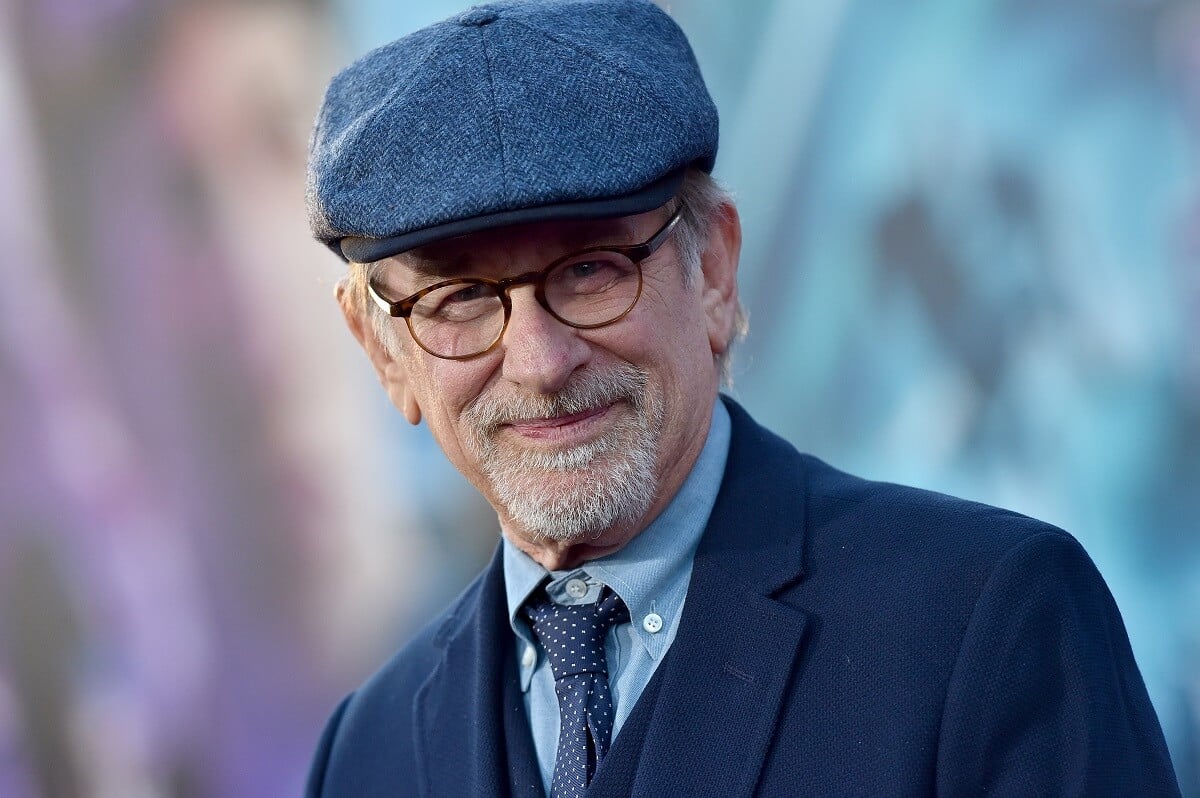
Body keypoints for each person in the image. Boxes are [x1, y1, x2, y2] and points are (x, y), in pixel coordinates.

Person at [302, 1, 1181, 795]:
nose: (538, 360)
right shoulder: (365, 756)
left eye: (590, 271)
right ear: (382, 350)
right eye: (458, 298)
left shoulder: (985, 626)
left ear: (715, 270)